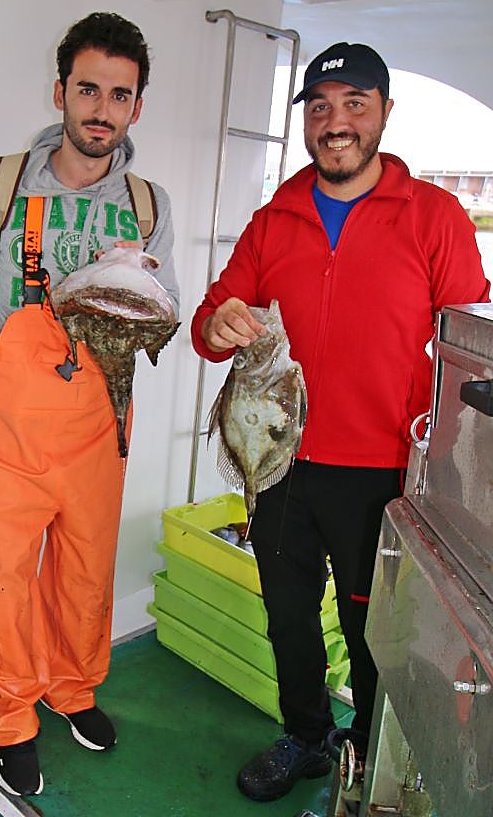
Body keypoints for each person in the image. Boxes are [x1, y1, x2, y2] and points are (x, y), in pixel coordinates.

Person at [191, 42, 490, 803]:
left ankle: (368, 747)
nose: (336, 122)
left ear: (385, 114)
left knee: (374, 630)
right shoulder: (274, 217)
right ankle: (305, 736)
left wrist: (447, 461)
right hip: (281, 468)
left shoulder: (436, 216)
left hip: (384, 472)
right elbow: (207, 319)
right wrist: (218, 322)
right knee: (288, 617)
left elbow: (469, 347)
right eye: (320, 107)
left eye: (355, 103)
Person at [0, 12, 178, 797]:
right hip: (3, 422)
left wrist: (142, 289)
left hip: (99, 428)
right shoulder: (1, 186)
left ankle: (73, 691)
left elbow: (161, 316)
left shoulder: (148, 203)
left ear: (137, 106)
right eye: (88, 90)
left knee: (85, 578)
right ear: (61, 92)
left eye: (120, 94)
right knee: (3, 579)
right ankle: (12, 719)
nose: (102, 109)